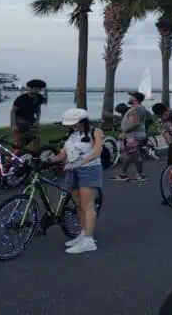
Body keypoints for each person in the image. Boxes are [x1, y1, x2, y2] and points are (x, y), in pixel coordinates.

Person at [48, 108, 103, 254]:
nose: (72, 126)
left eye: (75, 123)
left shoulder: (95, 132)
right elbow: (64, 153)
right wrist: (52, 159)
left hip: (89, 169)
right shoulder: (72, 133)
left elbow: (97, 151)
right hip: (72, 170)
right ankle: (84, 233)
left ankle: (89, 241)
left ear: (83, 120)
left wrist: (81, 162)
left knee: (87, 205)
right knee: (78, 205)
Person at [113, 92, 148, 182]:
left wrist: (125, 132)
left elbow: (136, 123)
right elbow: (133, 122)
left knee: (129, 155)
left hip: (134, 136)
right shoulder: (136, 109)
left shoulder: (137, 109)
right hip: (133, 136)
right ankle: (138, 174)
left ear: (135, 99)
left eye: (131, 96)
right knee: (134, 155)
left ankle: (125, 175)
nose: (129, 97)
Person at [10, 79, 46, 156]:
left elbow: (38, 109)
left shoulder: (39, 98)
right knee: (19, 143)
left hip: (31, 121)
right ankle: (11, 159)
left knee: (36, 138)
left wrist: (37, 120)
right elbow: (13, 111)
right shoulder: (21, 99)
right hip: (20, 121)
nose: (37, 90)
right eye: (35, 88)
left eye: (39, 89)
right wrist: (13, 125)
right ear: (29, 88)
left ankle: (35, 156)